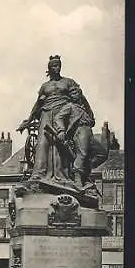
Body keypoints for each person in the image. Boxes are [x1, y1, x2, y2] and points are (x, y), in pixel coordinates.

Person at [17, 55, 107, 192]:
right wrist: (29, 121)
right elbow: (38, 104)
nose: (57, 68)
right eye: (54, 66)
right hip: (46, 114)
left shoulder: (68, 82)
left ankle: (64, 175)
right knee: (42, 144)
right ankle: (39, 174)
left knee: (62, 146)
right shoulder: (45, 87)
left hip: (65, 115)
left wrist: (90, 114)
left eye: (59, 65)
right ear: (49, 69)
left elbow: (81, 97)